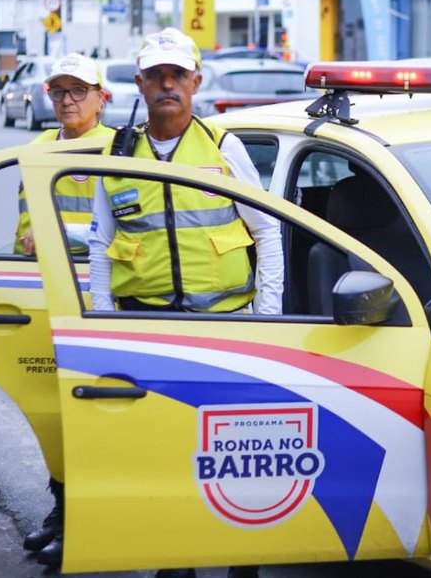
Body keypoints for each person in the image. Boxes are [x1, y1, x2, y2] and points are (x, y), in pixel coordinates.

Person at [84, 28, 282, 577]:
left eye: (178, 75)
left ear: (196, 81)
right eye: (156, 76)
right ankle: (176, 565)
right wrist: (102, 327)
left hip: (225, 332)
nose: (168, 85)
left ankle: (243, 563)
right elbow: (100, 245)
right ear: (140, 84)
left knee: (233, 463)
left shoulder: (223, 148)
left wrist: (267, 323)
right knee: (167, 460)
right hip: (149, 333)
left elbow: (268, 234)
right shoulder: (118, 154)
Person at [15, 53, 115, 256]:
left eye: (79, 91)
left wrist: (59, 233)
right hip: (39, 269)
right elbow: (25, 227)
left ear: (100, 98)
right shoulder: (38, 147)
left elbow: (127, 232)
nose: (67, 100)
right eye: (58, 92)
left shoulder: (117, 149)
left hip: (95, 271)